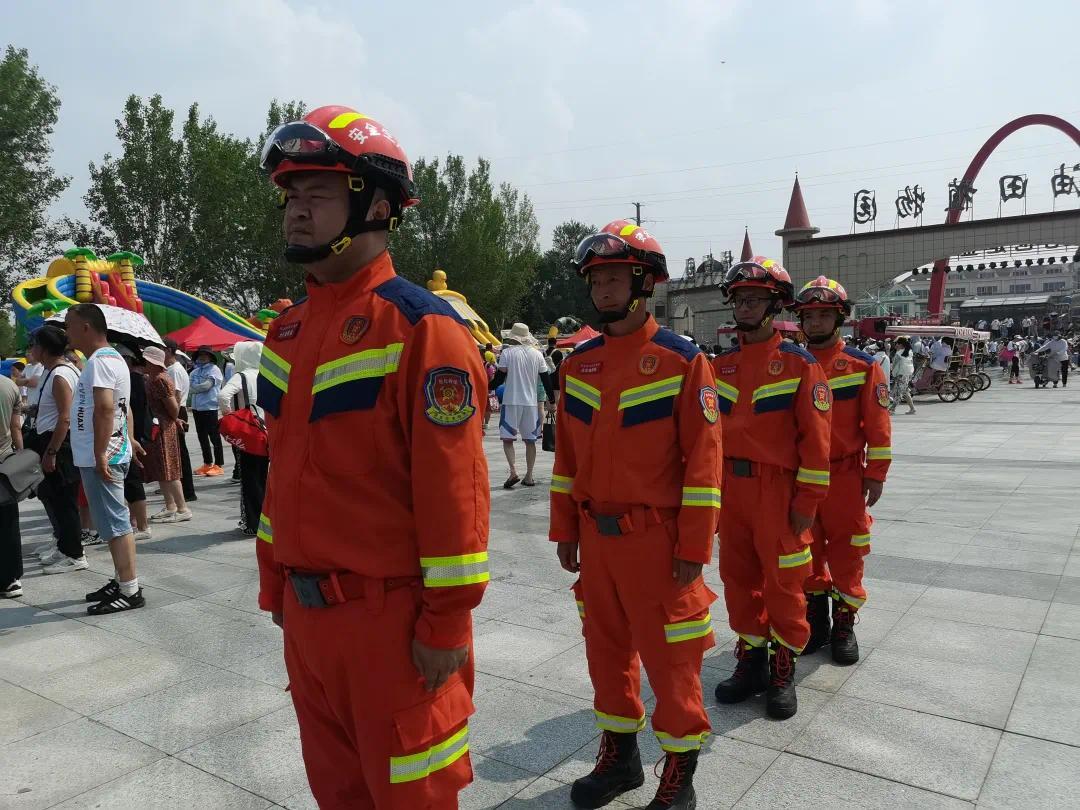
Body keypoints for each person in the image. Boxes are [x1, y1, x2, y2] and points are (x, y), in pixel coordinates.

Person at [256, 104, 489, 808]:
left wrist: (446, 621)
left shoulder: (424, 329)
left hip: (390, 628)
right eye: (291, 195)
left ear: (377, 205)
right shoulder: (288, 331)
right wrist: (275, 585)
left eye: (317, 194)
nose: (297, 210)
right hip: (308, 620)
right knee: (339, 794)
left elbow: (455, 497)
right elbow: (283, 474)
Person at [550, 221, 721, 809]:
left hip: (657, 542)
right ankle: (620, 759)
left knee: (672, 660)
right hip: (596, 541)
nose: (602, 290)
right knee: (606, 653)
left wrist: (694, 547)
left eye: (615, 277)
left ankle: (680, 774)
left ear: (644, 283)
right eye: (596, 279)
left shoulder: (681, 360)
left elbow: (704, 461)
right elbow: (566, 458)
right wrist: (564, 526)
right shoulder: (579, 365)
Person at [711, 256, 831, 720]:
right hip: (730, 492)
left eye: (754, 299)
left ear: (775, 304)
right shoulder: (719, 366)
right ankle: (752, 659)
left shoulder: (800, 366)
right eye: (739, 299)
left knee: (784, 584)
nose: (744, 306)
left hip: (778, 493)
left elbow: (816, 445)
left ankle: (783, 667)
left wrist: (807, 502)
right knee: (738, 582)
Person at [788, 277, 891, 664]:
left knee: (848, 551)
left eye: (823, 315)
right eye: (809, 316)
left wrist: (876, 472)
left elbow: (878, 426)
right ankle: (817, 620)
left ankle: (845, 622)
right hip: (800, 479)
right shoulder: (792, 365)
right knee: (807, 550)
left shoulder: (863, 366)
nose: (814, 323)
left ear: (840, 318)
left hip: (845, 476)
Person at [64, 303, 145, 614]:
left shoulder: (100, 361)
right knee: (113, 520)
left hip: (102, 454)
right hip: (110, 450)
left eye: (70, 325)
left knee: (114, 523)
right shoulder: (112, 359)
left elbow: (108, 408)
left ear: (86, 327)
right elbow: (127, 408)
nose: (67, 332)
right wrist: (131, 438)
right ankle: (121, 579)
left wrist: (100, 452)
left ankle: (130, 589)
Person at [26, 326, 85, 573]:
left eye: (34, 345)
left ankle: (75, 554)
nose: (31, 350)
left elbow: (65, 417)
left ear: (44, 348)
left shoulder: (61, 374)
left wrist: (51, 452)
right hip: (51, 439)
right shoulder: (54, 372)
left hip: (59, 443)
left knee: (64, 499)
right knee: (55, 497)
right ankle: (64, 545)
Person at [218, 341, 267, 536]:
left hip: (249, 431)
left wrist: (230, 416)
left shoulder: (242, 376)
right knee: (264, 477)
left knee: (250, 478)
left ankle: (253, 523)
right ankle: (267, 519)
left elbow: (223, 396)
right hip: (268, 429)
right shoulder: (265, 375)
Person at [497, 322, 553, 489]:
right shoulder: (537, 355)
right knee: (530, 441)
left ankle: (513, 471)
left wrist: (485, 387)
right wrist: (552, 400)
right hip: (531, 403)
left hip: (511, 401)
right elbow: (545, 379)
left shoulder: (507, 353)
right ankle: (529, 475)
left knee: (508, 439)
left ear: (514, 337)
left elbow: (499, 379)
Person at [141, 346, 191, 523]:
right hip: (159, 426)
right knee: (162, 469)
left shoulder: (160, 380)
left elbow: (173, 409)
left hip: (163, 427)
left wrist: (174, 417)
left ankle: (182, 507)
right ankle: (170, 506)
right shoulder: (152, 378)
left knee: (169, 469)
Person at [115, 344, 153, 540]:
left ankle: (142, 525)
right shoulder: (126, 379)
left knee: (132, 480)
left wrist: (134, 436)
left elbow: (135, 410)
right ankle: (135, 521)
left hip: (132, 435)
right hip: (127, 435)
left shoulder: (134, 379)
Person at [162, 339, 196, 503]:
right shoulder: (172, 368)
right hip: (176, 410)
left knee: (180, 452)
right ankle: (180, 488)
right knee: (178, 451)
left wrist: (174, 417)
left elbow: (175, 394)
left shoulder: (174, 370)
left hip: (177, 410)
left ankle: (187, 491)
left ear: (168, 350)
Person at [0, 372, 24, 598]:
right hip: (5, 460)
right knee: (8, 522)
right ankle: (12, 578)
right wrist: (21, 457)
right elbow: (16, 427)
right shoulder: (10, 386)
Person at [189, 346, 225, 477]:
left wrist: (192, 389)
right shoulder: (195, 371)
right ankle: (207, 462)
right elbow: (190, 385)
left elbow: (206, 386)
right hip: (197, 408)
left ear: (210, 356)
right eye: (200, 355)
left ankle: (219, 464)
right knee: (202, 437)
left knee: (214, 436)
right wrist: (193, 388)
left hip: (210, 407)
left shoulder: (214, 370)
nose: (202, 357)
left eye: (205, 354)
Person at [890, 337, 917, 415]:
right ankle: (912, 409)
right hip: (908, 374)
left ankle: (892, 409)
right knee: (905, 392)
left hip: (901, 375)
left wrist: (893, 373)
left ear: (901, 344)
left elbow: (894, 365)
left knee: (898, 392)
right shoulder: (910, 352)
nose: (895, 345)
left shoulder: (898, 354)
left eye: (897, 344)